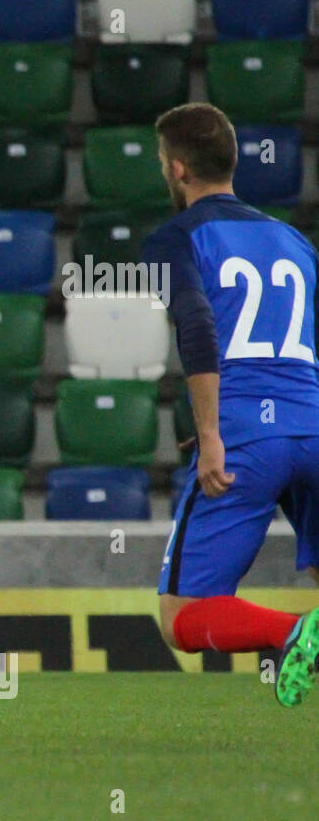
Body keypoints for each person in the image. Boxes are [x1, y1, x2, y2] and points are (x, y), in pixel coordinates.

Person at [143, 102, 319, 706]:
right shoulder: (292, 240)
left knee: (181, 616)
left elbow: (197, 326)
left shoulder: (175, 238)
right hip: (312, 425)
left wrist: (214, 430)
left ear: (179, 169)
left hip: (245, 438)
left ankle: (295, 633)